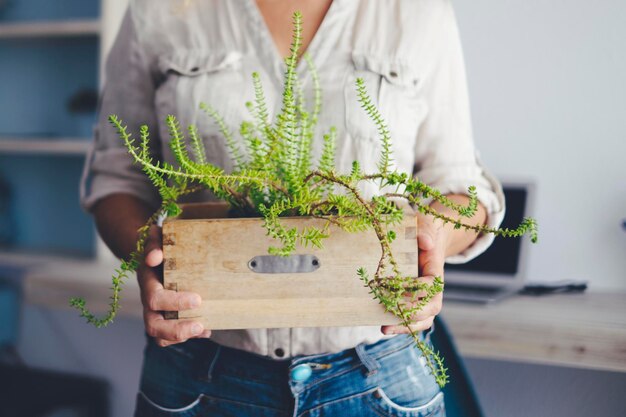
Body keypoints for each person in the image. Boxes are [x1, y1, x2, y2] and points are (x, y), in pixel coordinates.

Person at [80, 0, 505, 416]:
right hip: (200, 370)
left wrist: (436, 235)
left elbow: (462, 187)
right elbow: (118, 180)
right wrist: (146, 253)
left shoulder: (417, 12)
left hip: (378, 373)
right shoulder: (159, 10)